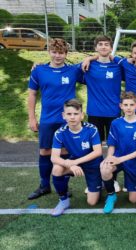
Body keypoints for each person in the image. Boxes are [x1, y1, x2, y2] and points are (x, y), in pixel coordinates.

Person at [27, 38, 83, 200]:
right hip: (47, 119)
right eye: (54, 52)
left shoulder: (73, 71)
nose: (58, 56)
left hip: (68, 119)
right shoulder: (39, 70)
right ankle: (44, 185)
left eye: (61, 53)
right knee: (45, 151)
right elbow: (32, 94)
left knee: (65, 151)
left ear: (66, 54)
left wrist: (90, 58)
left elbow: (90, 71)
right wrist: (32, 117)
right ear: (49, 52)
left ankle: (62, 185)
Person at [50, 99, 103, 216]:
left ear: (82, 115)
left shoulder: (91, 129)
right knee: (57, 168)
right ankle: (63, 200)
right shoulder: (60, 133)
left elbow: (98, 152)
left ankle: (99, 183)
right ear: (64, 116)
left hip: (93, 164)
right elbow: (54, 158)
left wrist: (74, 162)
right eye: (69, 114)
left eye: (76, 114)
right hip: (75, 163)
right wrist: (70, 164)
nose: (72, 117)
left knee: (92, 202)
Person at [100, 92, 136, 214]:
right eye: (125, 105)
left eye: (131, 105)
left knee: (133, 200)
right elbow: (112, 144)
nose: (128, 108)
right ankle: (111, 195)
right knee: (104, 167)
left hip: (133, 162)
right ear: (120, 106)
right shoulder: (116, 123)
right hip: (117, 159)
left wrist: (121, 159)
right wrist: (110, 156)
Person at [82, 35, 122, 143]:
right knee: (95, 145)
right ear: (96, 48)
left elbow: (134, 64)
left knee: (114, 145)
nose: (103, 47)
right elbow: (65, 68)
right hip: (95, 112)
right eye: (100, 44)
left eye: (106, 44)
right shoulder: (87, 66)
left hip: (113, 112)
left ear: (111, 48)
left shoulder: (119, 66)